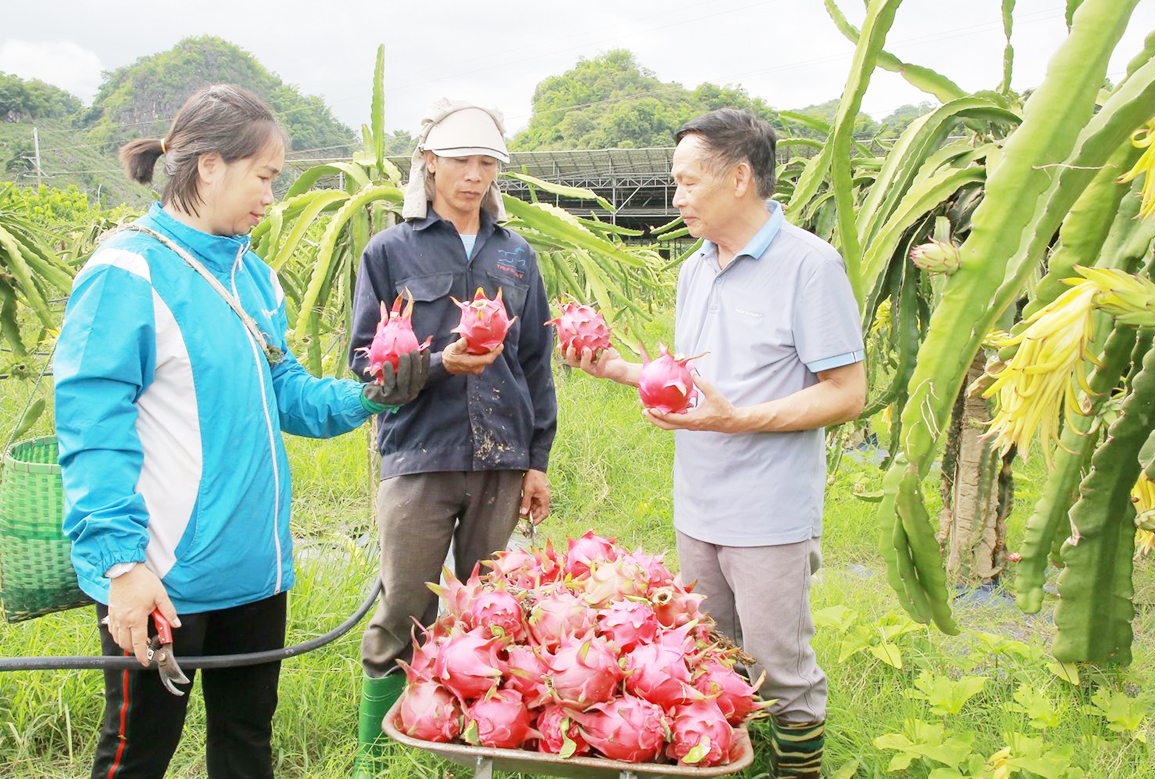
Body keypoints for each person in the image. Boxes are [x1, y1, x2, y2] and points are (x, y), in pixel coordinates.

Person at [54, 84, 428, 779]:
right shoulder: (126, 273)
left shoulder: (252, 276)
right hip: (164, 575)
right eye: (264, 176)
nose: (271, 196)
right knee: (137, 753)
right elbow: (90, 432)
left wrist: (372, 395)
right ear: (210, 167)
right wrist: (122, 568)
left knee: (248, 742)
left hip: (256, 570)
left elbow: (285, 392)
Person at [565, 108, 865, 779]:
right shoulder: (696, 268)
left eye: (686, 182)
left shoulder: (810, 266)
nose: (675, 199)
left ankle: (797, 772)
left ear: (737, 177)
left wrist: (741, 420)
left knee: (778, 665)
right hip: (696, 503)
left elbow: (846, 392)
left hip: (768, 511)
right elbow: (689, 384)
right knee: (710, 654)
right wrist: (617, 367)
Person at [347, 99, 556, 775]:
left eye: (487, 162)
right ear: (429, 161)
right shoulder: (390, 250)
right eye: (462, 160)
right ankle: (375, 758)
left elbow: (534, 364)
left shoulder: (517, 255)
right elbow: (365, 363)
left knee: (488, 608)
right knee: (405, 602)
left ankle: (473, 750)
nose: (474, 175)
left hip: (502, 456)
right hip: (420, 453)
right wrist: (439, 363)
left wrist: (537, 460)